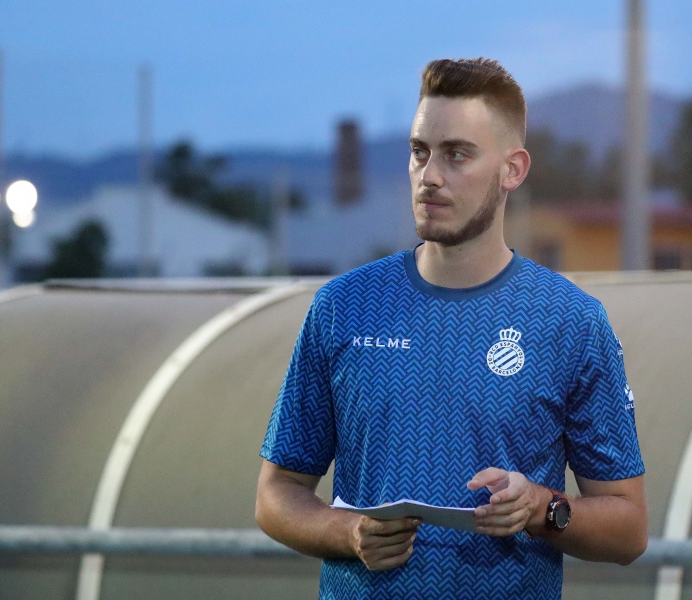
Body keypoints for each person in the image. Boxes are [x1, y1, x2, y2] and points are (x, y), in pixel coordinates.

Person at [255, 58, 647, 599]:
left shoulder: (570, 322)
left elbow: (629, 529)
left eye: (457, 154)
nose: (430, 175)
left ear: (513, 169)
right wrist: (346, 533)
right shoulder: (343, 307)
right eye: (420, 152)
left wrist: (542, 508)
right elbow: (276, 494)